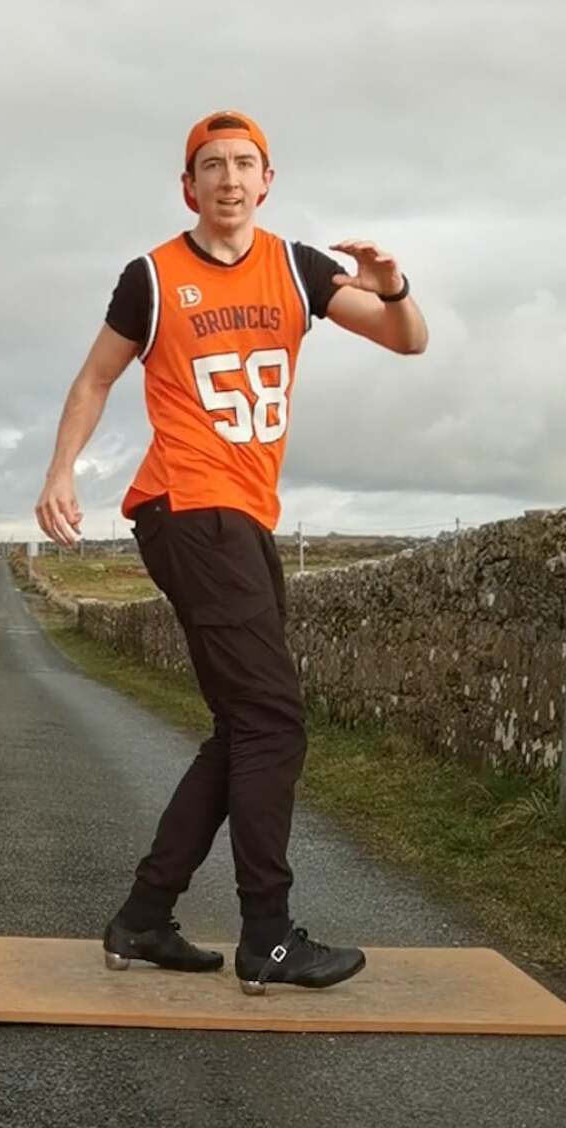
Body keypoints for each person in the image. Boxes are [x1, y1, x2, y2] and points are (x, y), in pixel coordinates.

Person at [35, 111, 427, 995]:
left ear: (266, 180)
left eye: (244, 164)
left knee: (244, 726)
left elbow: (409, 341)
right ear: (189, 187)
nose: (228, 178)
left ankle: (143, 918)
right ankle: (269, 935)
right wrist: (62, 469)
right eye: (210, 166)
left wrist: (393, 285)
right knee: (274, 722)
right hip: (189, 503)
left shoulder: (297, 265)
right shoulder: (152, 276)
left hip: (243, 513)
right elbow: (96, 375)